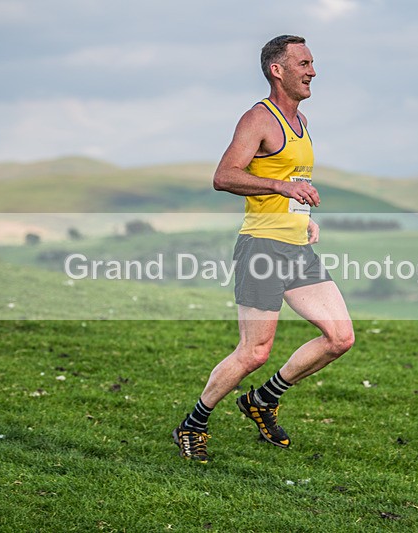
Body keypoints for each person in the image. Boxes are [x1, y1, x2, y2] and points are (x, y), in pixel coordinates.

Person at [173, 35, 355, 462]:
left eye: (312, 63)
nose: (313, 70)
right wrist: (280, 185)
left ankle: (263, 399)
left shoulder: (302, 121)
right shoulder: (258, 118)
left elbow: (288, 182)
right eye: (304, 63)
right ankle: (192, 424)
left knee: (340, 337)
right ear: (278, 70)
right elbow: (224, 176)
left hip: (296, 248)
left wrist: (301, 217)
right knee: (254, 351)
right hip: (262, 249)